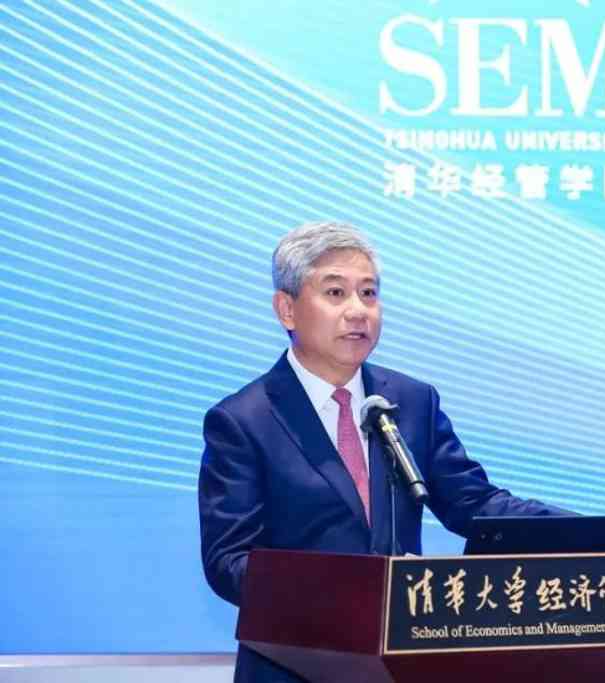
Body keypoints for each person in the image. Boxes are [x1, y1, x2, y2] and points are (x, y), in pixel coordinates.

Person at [198, 221, 571, 682]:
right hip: (295, 667)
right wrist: (347, 592)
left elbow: (475, 504)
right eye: (336, 293)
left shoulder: (411, 401)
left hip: (401, 667)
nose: (358, 311)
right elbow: (229, 562)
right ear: (287, 309)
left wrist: (587, 536)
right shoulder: (242, 420)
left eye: (369, 293)